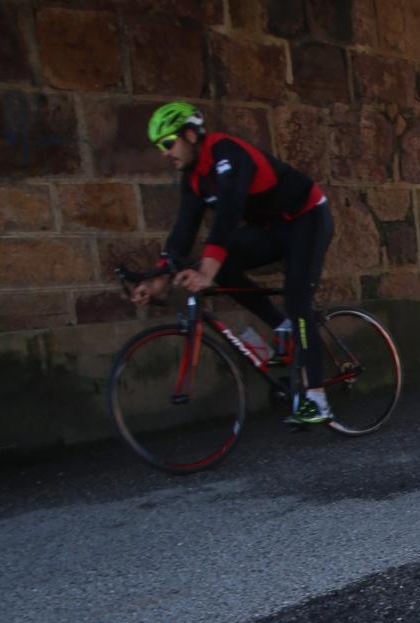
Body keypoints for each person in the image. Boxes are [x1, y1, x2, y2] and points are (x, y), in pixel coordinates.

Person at [132, 103, 336, 427]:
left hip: (306, 218)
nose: (164, 153)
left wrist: (206, 271)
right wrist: (158, 277)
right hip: (271, 228)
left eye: (167, 143)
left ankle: (317, 399)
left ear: (189, 134)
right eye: (159, 147)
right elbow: (183, 229)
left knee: (297, 299)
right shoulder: (193, 178)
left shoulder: (227, 154)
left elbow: (227, 215)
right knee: (221, 267)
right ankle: (282, 327)